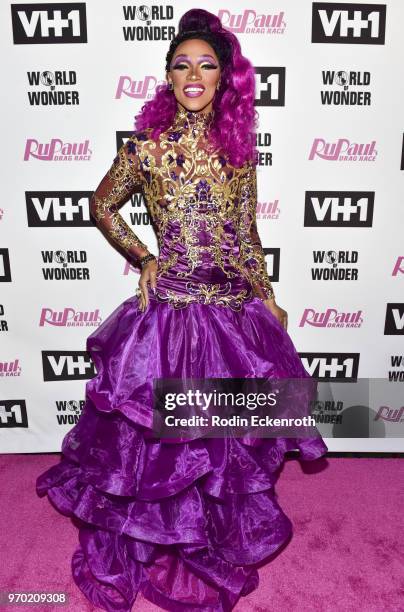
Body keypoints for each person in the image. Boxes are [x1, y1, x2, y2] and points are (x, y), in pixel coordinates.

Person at [36, 8, 328, 612]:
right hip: (170, 314)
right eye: (181, 64)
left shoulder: (238, 150)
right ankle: (154, 542)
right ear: (167, 77)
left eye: (206, 64)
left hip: (229, 309)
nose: (193, 74)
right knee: (163, 444)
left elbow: (245, 232)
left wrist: (266, 294)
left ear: (224, 78)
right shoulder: (146, 148)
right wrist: (143, 257)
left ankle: (209, 536)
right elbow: (102, 206)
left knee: (225, 438)